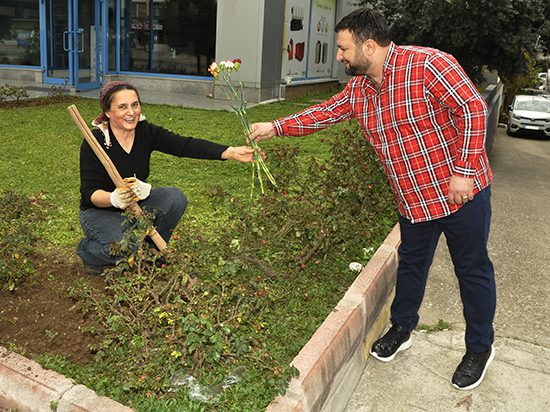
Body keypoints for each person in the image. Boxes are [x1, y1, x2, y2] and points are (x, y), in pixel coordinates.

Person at [249, 8, 495, 391]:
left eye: (344, 48)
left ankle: (479, 348)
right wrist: (273, 126)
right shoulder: (360, 89)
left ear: (368, 45)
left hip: (460, 193)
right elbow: (324, 114)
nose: (339, 57)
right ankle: (402, 327)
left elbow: (473, 109)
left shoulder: (428, 64)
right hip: (414, 200)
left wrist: (464, 170)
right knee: (412, 267)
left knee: (472, 270)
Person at [77, 81, 256, 275]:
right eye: (122, 107)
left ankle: (151, 250)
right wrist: (114, 198)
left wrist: (230, 152)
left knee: (175, 198)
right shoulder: (95, 142)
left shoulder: (145, 131)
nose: (131, 112)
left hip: (136, 205)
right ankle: (89, 251)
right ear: (108, 112)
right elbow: (89, 193)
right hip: (100, 212)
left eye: (135, 104)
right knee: (124, 249)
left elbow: (184, 145)